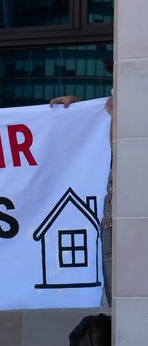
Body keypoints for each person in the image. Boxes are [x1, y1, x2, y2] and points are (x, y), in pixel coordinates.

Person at [50, 93, 114, 306]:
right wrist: (77, 110)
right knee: (118, 298)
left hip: (128, 219)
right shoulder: (109, 106)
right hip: (108, 221)